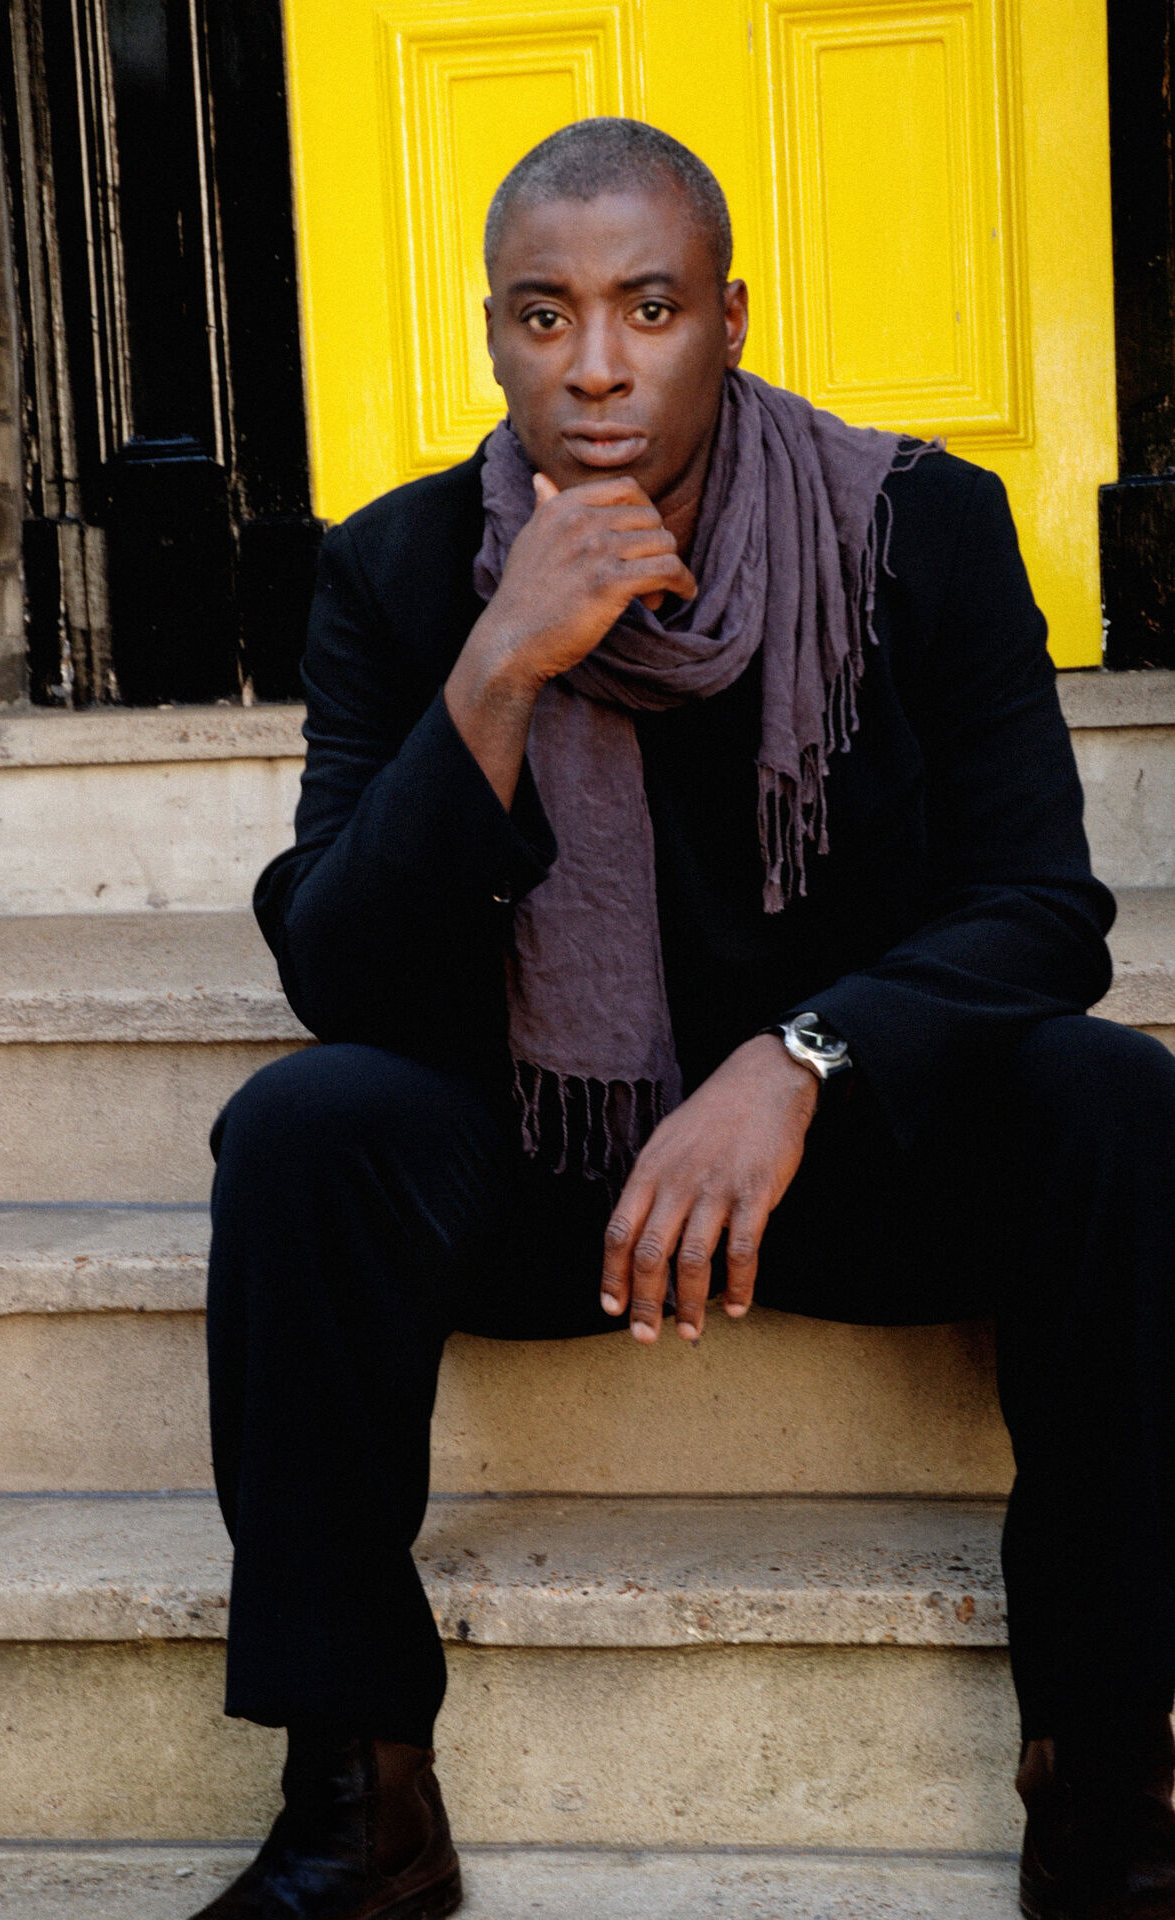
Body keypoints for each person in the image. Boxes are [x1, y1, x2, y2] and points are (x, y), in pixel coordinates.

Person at [191, 119, 1175, 1920]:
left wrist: (800, 1058)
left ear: (727, 316)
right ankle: (359, 1800)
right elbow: (343, 975)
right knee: (303, 1133)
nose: (595, 366)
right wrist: (499, 663)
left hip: (853, 1157)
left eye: (647, 308)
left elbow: (1040, 908)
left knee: (1111, 1102)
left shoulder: (916, 531)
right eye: (543, 314)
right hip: (553, 1168)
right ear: (492, 337)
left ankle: (1106, 1780)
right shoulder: (400, 569)